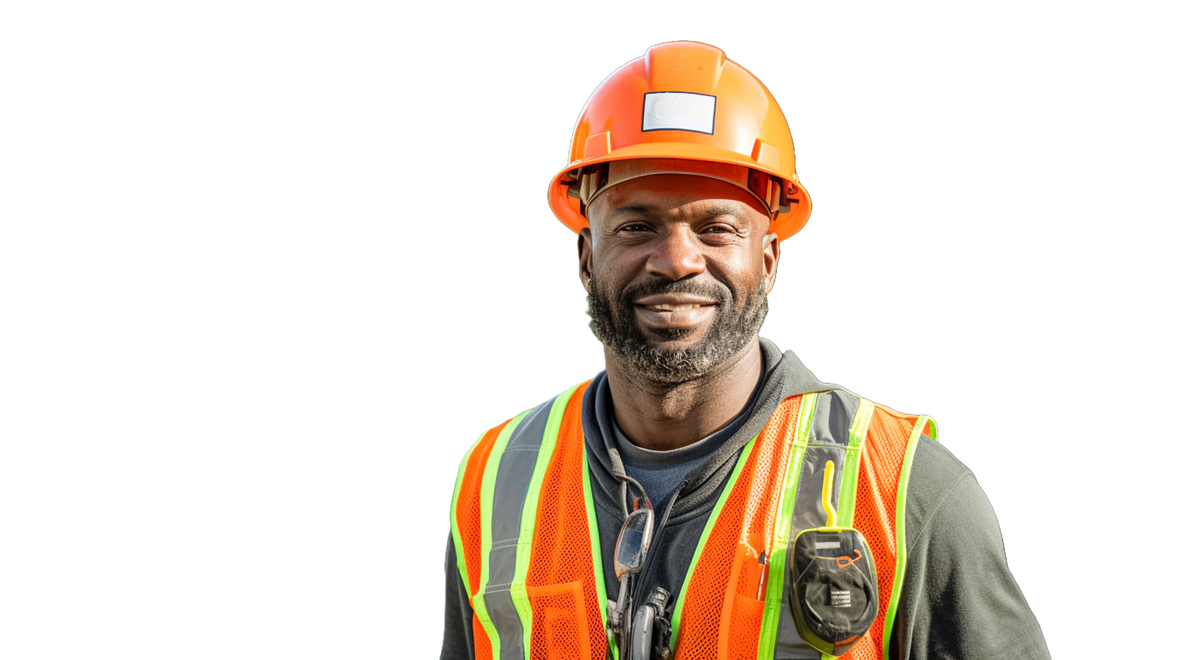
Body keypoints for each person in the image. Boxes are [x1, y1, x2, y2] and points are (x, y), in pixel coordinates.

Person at [441, 40, 1051, 660]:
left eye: (717, 229)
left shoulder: (904, 492)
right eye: (635, 226)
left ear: (767, 259)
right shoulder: (494, 481)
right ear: (586, 255)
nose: (677, 261)